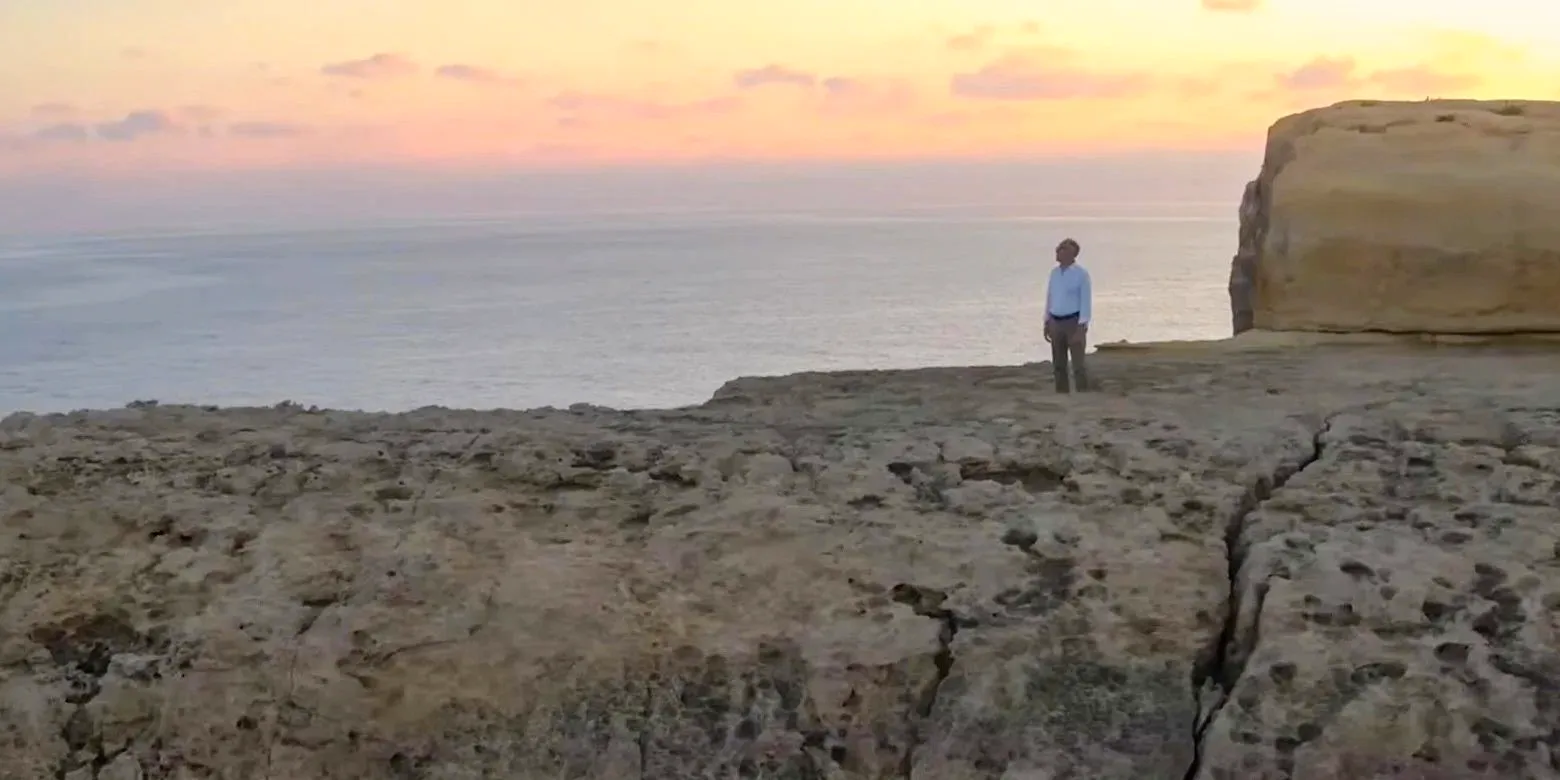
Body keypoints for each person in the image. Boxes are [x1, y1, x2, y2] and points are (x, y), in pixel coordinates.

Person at [1043, 238, 1092, 393]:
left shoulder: (1081, 274)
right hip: (1055, 321)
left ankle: (1082, 394)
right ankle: (1062, 394)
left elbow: (1086, 301)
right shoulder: (1054, 273)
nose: (1058, 251)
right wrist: (1046, 321)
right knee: (1058, 363)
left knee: (1078, 364)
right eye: (1059, 248)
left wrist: (1082, 326)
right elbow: (1050, 297)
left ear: (1072, 254)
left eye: (1063, 249)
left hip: (1073, 322)